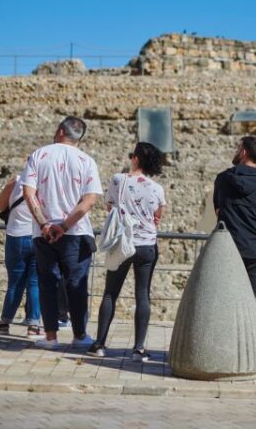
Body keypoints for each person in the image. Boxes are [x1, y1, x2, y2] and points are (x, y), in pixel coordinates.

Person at [21, 116, 102, 350]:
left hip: (43, 233)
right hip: (75, 232)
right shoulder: (86, 161)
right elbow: (90, 199)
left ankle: (50, 337)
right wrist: (65, 226)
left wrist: (45, 224)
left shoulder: (38, 155)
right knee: (76, 283)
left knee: (47, 283)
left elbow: (28, 193)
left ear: (59, 131)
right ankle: (79, 335)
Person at [88, 142, 166, 361]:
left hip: (123, 243)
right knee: (142, 295)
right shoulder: (157, 189)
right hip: (147, 245)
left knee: (110, 293)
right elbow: (157, 217)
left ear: (136, 159)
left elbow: (109, 206)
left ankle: (99, 344)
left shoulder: (118, 179)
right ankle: (138, 349)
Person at [213, 136, 256, 296]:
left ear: (243, 152)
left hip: (227, 247)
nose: (236, 151)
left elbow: (218, 211)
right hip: (254, 249)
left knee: (224, 298)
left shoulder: (224, 178)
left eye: (238, 148)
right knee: (248, 303)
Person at [0, 174, 42, 337]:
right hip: (38, 236)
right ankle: (33, 326)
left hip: (16, 236)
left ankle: (4, 323)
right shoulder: (47, 182)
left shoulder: (17, 181)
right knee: (35, 283)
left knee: (14, 283)